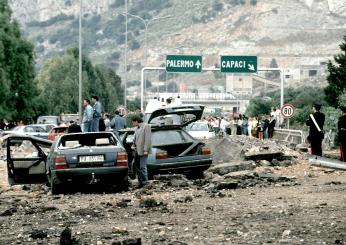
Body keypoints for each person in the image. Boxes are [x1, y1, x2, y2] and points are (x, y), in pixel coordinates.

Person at [131, 115, 152, 187]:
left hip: (143, 150)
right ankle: (141, 182)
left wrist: (146, 149)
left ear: (136, 121)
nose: (132, 124)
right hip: (137, 150)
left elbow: (148, 139)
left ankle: (145, 182)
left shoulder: (146, 126)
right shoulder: (136, 128)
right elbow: (135, 138)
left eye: (133, 122)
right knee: (137, 166)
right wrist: (133, 145)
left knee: (143, 166)